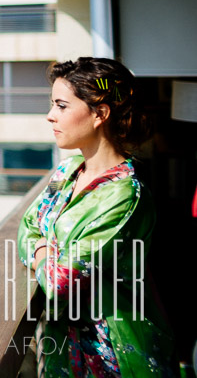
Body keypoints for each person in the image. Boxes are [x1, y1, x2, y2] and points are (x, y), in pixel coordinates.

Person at [18, 57, 174, 376]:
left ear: (100, 114)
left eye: (62, 106)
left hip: (112, 355)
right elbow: (27, 228)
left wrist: (42, 248)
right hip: (64, 345)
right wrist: (46, 252)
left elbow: (61, 281)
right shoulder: (66, 171)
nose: (50, 116)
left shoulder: (125, 194)